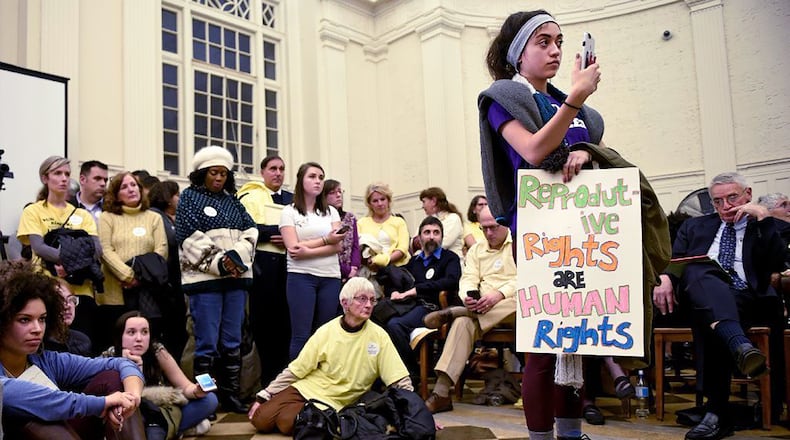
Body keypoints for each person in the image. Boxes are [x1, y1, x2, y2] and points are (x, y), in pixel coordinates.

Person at [477, 10, 605, 440]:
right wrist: (576, 99)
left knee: (575, 345)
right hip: (539, 235)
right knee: (542, 348)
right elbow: (533, 151)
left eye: (559, 42)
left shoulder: (569, 105)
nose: (555, 50)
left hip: (581, 232)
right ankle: (539, 438)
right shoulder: (503, 97)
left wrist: (586, 153)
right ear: (519, 52)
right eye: (543, 42)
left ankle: (570, 434)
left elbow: (586, 148)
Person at [653, 172, 786, 440]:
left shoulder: (767, 225)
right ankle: (739, 347)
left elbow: (778, 262)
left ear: (747, 195)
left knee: (710, 316)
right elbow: (677, 259)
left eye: (732, 197)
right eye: (718, 201)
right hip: (702, 293)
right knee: (699, 272)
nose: (725, 206)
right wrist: (665, 277)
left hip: (751, 298)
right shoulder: (695, 227)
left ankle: (716, 413)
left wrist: (762, 217)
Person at [247, 277, 413, 435]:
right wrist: (265, 396)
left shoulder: (379, 336)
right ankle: (307, 414)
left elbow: (399, 378)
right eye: (362, 299)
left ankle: (316, 417)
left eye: (372, 299)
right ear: (345, 303)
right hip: (306, 388)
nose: (369, 305)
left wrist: (416, 414)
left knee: (286, 422)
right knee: (260, 419)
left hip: (336, 400)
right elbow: (297, 369)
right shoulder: (327, 331)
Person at [0, 260, 145, 439]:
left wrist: (131, 398)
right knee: (38, 418)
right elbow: (42, 401)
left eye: (43, 319)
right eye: (24, 320)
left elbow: (120, 363)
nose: (37, 328)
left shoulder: (46, 360)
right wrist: (103, 403)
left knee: (113, 377)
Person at [176, 145, 258, 414]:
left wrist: (237, 258)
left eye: (223, 173)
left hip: (236, 281)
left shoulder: (233, 200)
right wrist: (222, 263)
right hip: (205, 282)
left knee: (232, 339)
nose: (219, 178)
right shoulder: (189, 198)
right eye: (214, 173)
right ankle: (206, 400)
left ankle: (230, 395)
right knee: (206, 342)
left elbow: (251, 232)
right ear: (202, 174)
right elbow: (187, 237)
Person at [421, 206, 516, 413]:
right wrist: (469, 297)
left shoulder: (520, 244)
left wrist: (499, 294)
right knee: (462, 323)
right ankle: (441, 393)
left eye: (493, 227)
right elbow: (468, 279)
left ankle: (459, 311)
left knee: (519, 300)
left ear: (505, 223)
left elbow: (528, 279)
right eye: (484, 229)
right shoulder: (476, 250)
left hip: (514, 309)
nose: (488, 233)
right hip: (482, 310)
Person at [17, 156, 103, 352]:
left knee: (82, 348)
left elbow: (96, 250)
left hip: (81, 292)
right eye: (58, 173)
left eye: (66, 174)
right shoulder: (33, 211)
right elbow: (38, 247)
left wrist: (71, 266)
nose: (64, 178)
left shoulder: (82, 215)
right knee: (47, 348)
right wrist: (71, 259)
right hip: (46, 288)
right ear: (45, 178)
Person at [109, 311, 219, 439]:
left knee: (209, 399)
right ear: (120, 335)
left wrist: (197, 390)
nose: (139, 338)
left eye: (145, 332)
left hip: (160, 412)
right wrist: (127, 366)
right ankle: (177, 430)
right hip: (127, 416)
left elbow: (185, 386)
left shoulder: (157, 351)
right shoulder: (109, 357)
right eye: (131, 332)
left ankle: (168, 430)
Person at [279, 162, 347, 360]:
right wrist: (326, 240)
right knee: (301, 335)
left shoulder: (331, 212)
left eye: (321, 177)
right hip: (301, 278)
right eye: (312, 176)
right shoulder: (289, 211)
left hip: (330, 277)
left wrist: (307, 248)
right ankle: (296, 384)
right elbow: (293, 249)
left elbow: (338, 246)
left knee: (324, 334)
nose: (318, 181)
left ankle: (322, 383)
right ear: (301, 180)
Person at [237, 155, 293, 387]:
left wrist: (289, 234)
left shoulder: (292, 198)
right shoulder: (250, 195)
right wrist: (275, 232)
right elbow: (244, 225)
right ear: (262, 172)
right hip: (263, 268)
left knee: (287, 324)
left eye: (281, 169)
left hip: (290, 266)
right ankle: (267, 382)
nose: (278, 173)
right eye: (273, 169)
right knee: (264, 325)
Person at [385, 216, 461, 385]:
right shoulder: (415, 261)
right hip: (411, 306)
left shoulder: (450, 258)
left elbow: (451, 281)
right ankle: (387, 376)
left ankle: (412, 375)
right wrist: (395, 291)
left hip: (432, 308)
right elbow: (399, 279)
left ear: (442, 236)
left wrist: (418, 289)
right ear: (419, 238)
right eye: (427, 232)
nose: (432, 236)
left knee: (395, 325)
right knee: (382, 321)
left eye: (436, 232)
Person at [98, 172, 168, 353]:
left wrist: (139, 278)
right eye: (124, 187)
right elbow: (105, 250)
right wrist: (128, 276)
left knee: (147, 345)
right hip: (115, 293)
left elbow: (161, 251)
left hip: (146, 293)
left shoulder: (154, 218)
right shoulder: (107, 217)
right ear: (115, 193)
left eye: (134, 185)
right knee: (118, 346)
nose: (131, 189)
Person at [148, 180, 189, 363]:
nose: (179, 199)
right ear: (168, 197)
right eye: (177, 194)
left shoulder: (173, 218)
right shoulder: (157, 217)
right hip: (167, 283)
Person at [357, 183, 411, 286]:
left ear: (389, 200)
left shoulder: (399, 222)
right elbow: (356, 248)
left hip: (396, 272)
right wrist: (368, 263)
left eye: (383, 199)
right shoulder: (361, 223)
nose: (380, 203)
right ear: (369, 204)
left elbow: (403, 249)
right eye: (375, 201)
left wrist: (382, 260)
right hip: (368, 273)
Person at [324, 179, 361, 283]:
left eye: (340, 191)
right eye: (332, 192)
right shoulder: (322, 219)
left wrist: (354, 267)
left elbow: (355, 245)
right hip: (331, 270)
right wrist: (345, 270)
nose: (338, 195)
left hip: (351, 272)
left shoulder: (350, 217)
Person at [46, 279, 92, 357]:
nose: (68, 306)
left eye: (71, 299)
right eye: (60, 300)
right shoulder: (39, 345)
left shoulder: (81, 342)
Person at [419, 187, 464, 258]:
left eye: (424, 202)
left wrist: (422, 244)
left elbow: (444, 243)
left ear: (433, 201)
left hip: (451, 264)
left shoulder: (453, 218)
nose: (422, 206)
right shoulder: (426, 220)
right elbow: (414, 241)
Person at [70, 160, 109, 224]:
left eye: (105, 180)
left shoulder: (111, 209)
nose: (103, 183)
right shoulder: (67, 207)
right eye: (97, 179)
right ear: (82, 180)